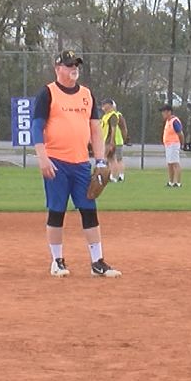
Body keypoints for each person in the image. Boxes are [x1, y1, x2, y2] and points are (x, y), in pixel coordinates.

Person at [34, 49, 121, 278]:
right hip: (56, 162)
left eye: (77, 65)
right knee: (57, 211)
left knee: (89, 210)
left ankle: (97, 262)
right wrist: (42, 157)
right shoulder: (48, 93)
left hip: (81, 163)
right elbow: (37, 127)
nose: (74, 69)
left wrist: (100, 160)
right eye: (69, 65)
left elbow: (95, 130)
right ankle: (57, 261)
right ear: (58, 68)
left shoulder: (86, 94)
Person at [101, 98, 128, 182]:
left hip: (115, 141)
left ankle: (118, 175)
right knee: (110, 158)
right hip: (107, 140)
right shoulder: (106, 116)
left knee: (117, 158)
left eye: (104, 105)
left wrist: (112, 141)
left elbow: (114, 129)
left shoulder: (114, 115)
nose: (103, 107)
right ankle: (111, 176)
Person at [160, 103, 184, 187]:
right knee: (169, 163)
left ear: (169, 112)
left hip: (174, 144)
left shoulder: (174, 121)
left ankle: (178, 182)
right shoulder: (167, 121)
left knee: (175, 163)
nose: (163, 114)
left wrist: (182, 143)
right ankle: (171, 182)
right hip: (168, 145)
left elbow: (180, 133)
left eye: (164, 112)